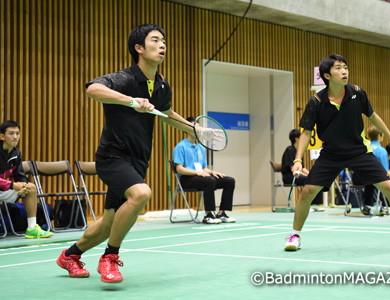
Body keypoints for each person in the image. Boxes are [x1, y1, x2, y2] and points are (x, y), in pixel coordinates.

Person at [56, 24, 194, 283]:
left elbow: (166, 114)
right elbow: (92, 89)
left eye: (164, 40)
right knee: (142, 193)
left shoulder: (162, 85)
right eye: (155, 40)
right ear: (139, 48)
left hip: (138, 159)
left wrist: (194, 129)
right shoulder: (125, 78)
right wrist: (131, 101)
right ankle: (110, 257)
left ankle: (70, 256)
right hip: (113, 156)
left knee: (109, 223)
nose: (162, 44)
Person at [283, 54, 390, 252]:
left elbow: (373, 116)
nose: (344, 71)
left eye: (345, 67)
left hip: (359, 151)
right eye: (338, 68)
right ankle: (295, 236)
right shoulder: (316, 101)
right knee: (308, 192)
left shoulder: (357, 93)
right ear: (327, 75)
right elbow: (306, 132)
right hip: (331, 153)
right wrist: (298, 159)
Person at [172, 117, 236, 224]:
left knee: (229, 181)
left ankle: (221, 213)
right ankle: (208, 215)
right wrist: (197, 172)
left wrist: (212, 172)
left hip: (202, 177)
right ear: (187, 129)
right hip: (186, 179)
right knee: (209, 180)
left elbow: (204, 168)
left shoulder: (201, 147)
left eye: (198, 127)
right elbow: (179, 169)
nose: (198, 130)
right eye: (194, 127)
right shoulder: (180, 147)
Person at [0, 120, 53, 239]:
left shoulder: (16, 153)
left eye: (17, 133)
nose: (15, 137)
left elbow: (20, 175)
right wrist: (13, 185)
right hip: (6, 186)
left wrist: (23, 186)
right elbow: (11, 183)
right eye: (11, 133)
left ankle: (32, 228)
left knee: (31, 188)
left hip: (4, 189)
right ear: (2, 136)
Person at [281, 129, 322, 206]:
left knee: (316, 179)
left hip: (298, 175)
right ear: (296, 138)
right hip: (290, 177)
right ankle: (311, 204)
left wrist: (311, 175)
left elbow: (302, 168)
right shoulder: (289, 150)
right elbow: (293, 169)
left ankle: (316, 204)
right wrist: (308, 177)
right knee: (309, 180)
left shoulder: (298, 151)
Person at [357, 126, 389, 215]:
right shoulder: (382, 151)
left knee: (370, 182)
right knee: (385, 182)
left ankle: (367, 206)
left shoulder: (363, 148)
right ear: (380, 135)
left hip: (357, 179)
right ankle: (384, 207)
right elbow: (385, 171)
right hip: (375, 179)